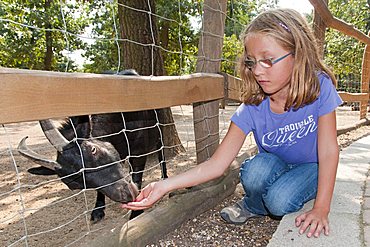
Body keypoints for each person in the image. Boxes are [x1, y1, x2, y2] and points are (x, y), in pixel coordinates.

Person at [122, 8, 342, 239]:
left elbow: (328, 150)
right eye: (252, 62)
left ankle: (299, 190)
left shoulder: (320, 87)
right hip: (274, 165)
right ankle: (254, 206)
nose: (257, 71)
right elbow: (217, 164)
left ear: (298, 54)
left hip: (311, 165)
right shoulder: (252, 106)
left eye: (268, 60)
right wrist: (164, 185)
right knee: (255, 171)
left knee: (279, 201)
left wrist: (321, 207)